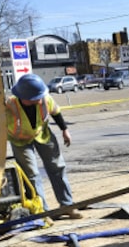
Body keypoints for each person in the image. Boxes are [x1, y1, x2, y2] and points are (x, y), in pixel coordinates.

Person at [5, 73, 79, 217]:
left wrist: (65, 130)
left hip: (42, 134)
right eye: (35, 98)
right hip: (20, 141)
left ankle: (67, 205)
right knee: (32, 175)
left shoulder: (45, 99)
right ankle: (42, 213)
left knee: (57, 167)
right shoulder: (9, 105)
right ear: (24, 97)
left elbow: (56, 113)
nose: (39, 100)